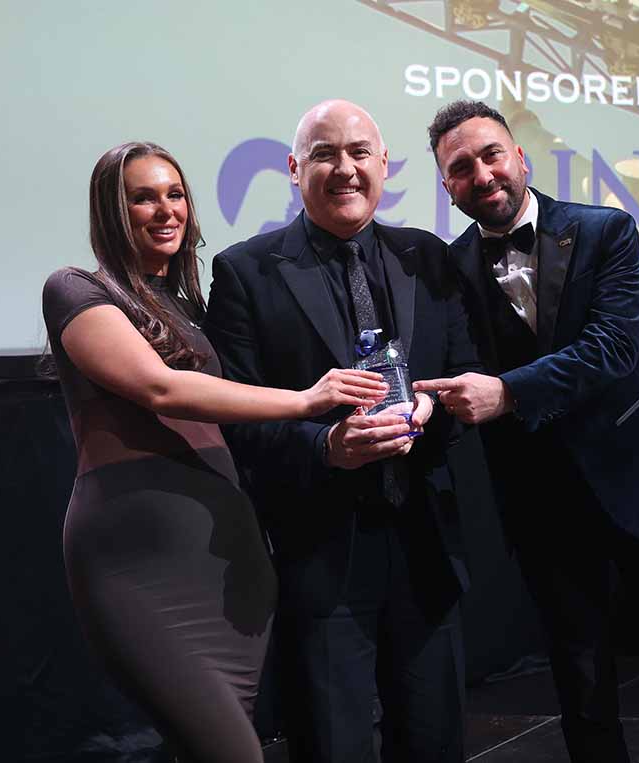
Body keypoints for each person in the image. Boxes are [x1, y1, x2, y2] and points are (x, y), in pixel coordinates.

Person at [42, 141, 387, 763]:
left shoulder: (190, 310)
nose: (165, 210)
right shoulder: (75, 289)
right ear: (111, 211)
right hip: (139, 558)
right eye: (143, 197)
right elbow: (160, 388)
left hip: (228, 556)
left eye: (175, 194)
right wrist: (306, 401)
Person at [416, 101, 639, 763]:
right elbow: (450, 363)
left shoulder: (605, 230)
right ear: (447, 186)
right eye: (461, 167)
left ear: (519, 157)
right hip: (543, 505)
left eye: (490, 155)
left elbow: (612, 348)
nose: (482, 174)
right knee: (584, 697)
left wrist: (507, 391)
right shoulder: (447, 269)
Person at [203, 100, 481, 763]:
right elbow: (234, 417)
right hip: (320, 552)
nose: (345, 168)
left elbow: (463, 369)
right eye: (324, 154)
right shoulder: (246, 272)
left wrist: (430, 406)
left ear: (385, 164)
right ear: (294, 169)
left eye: (360, 152)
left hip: (424, 542)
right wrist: (325, 447)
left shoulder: (428, 256)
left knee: (436, 742)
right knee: (333, 745)